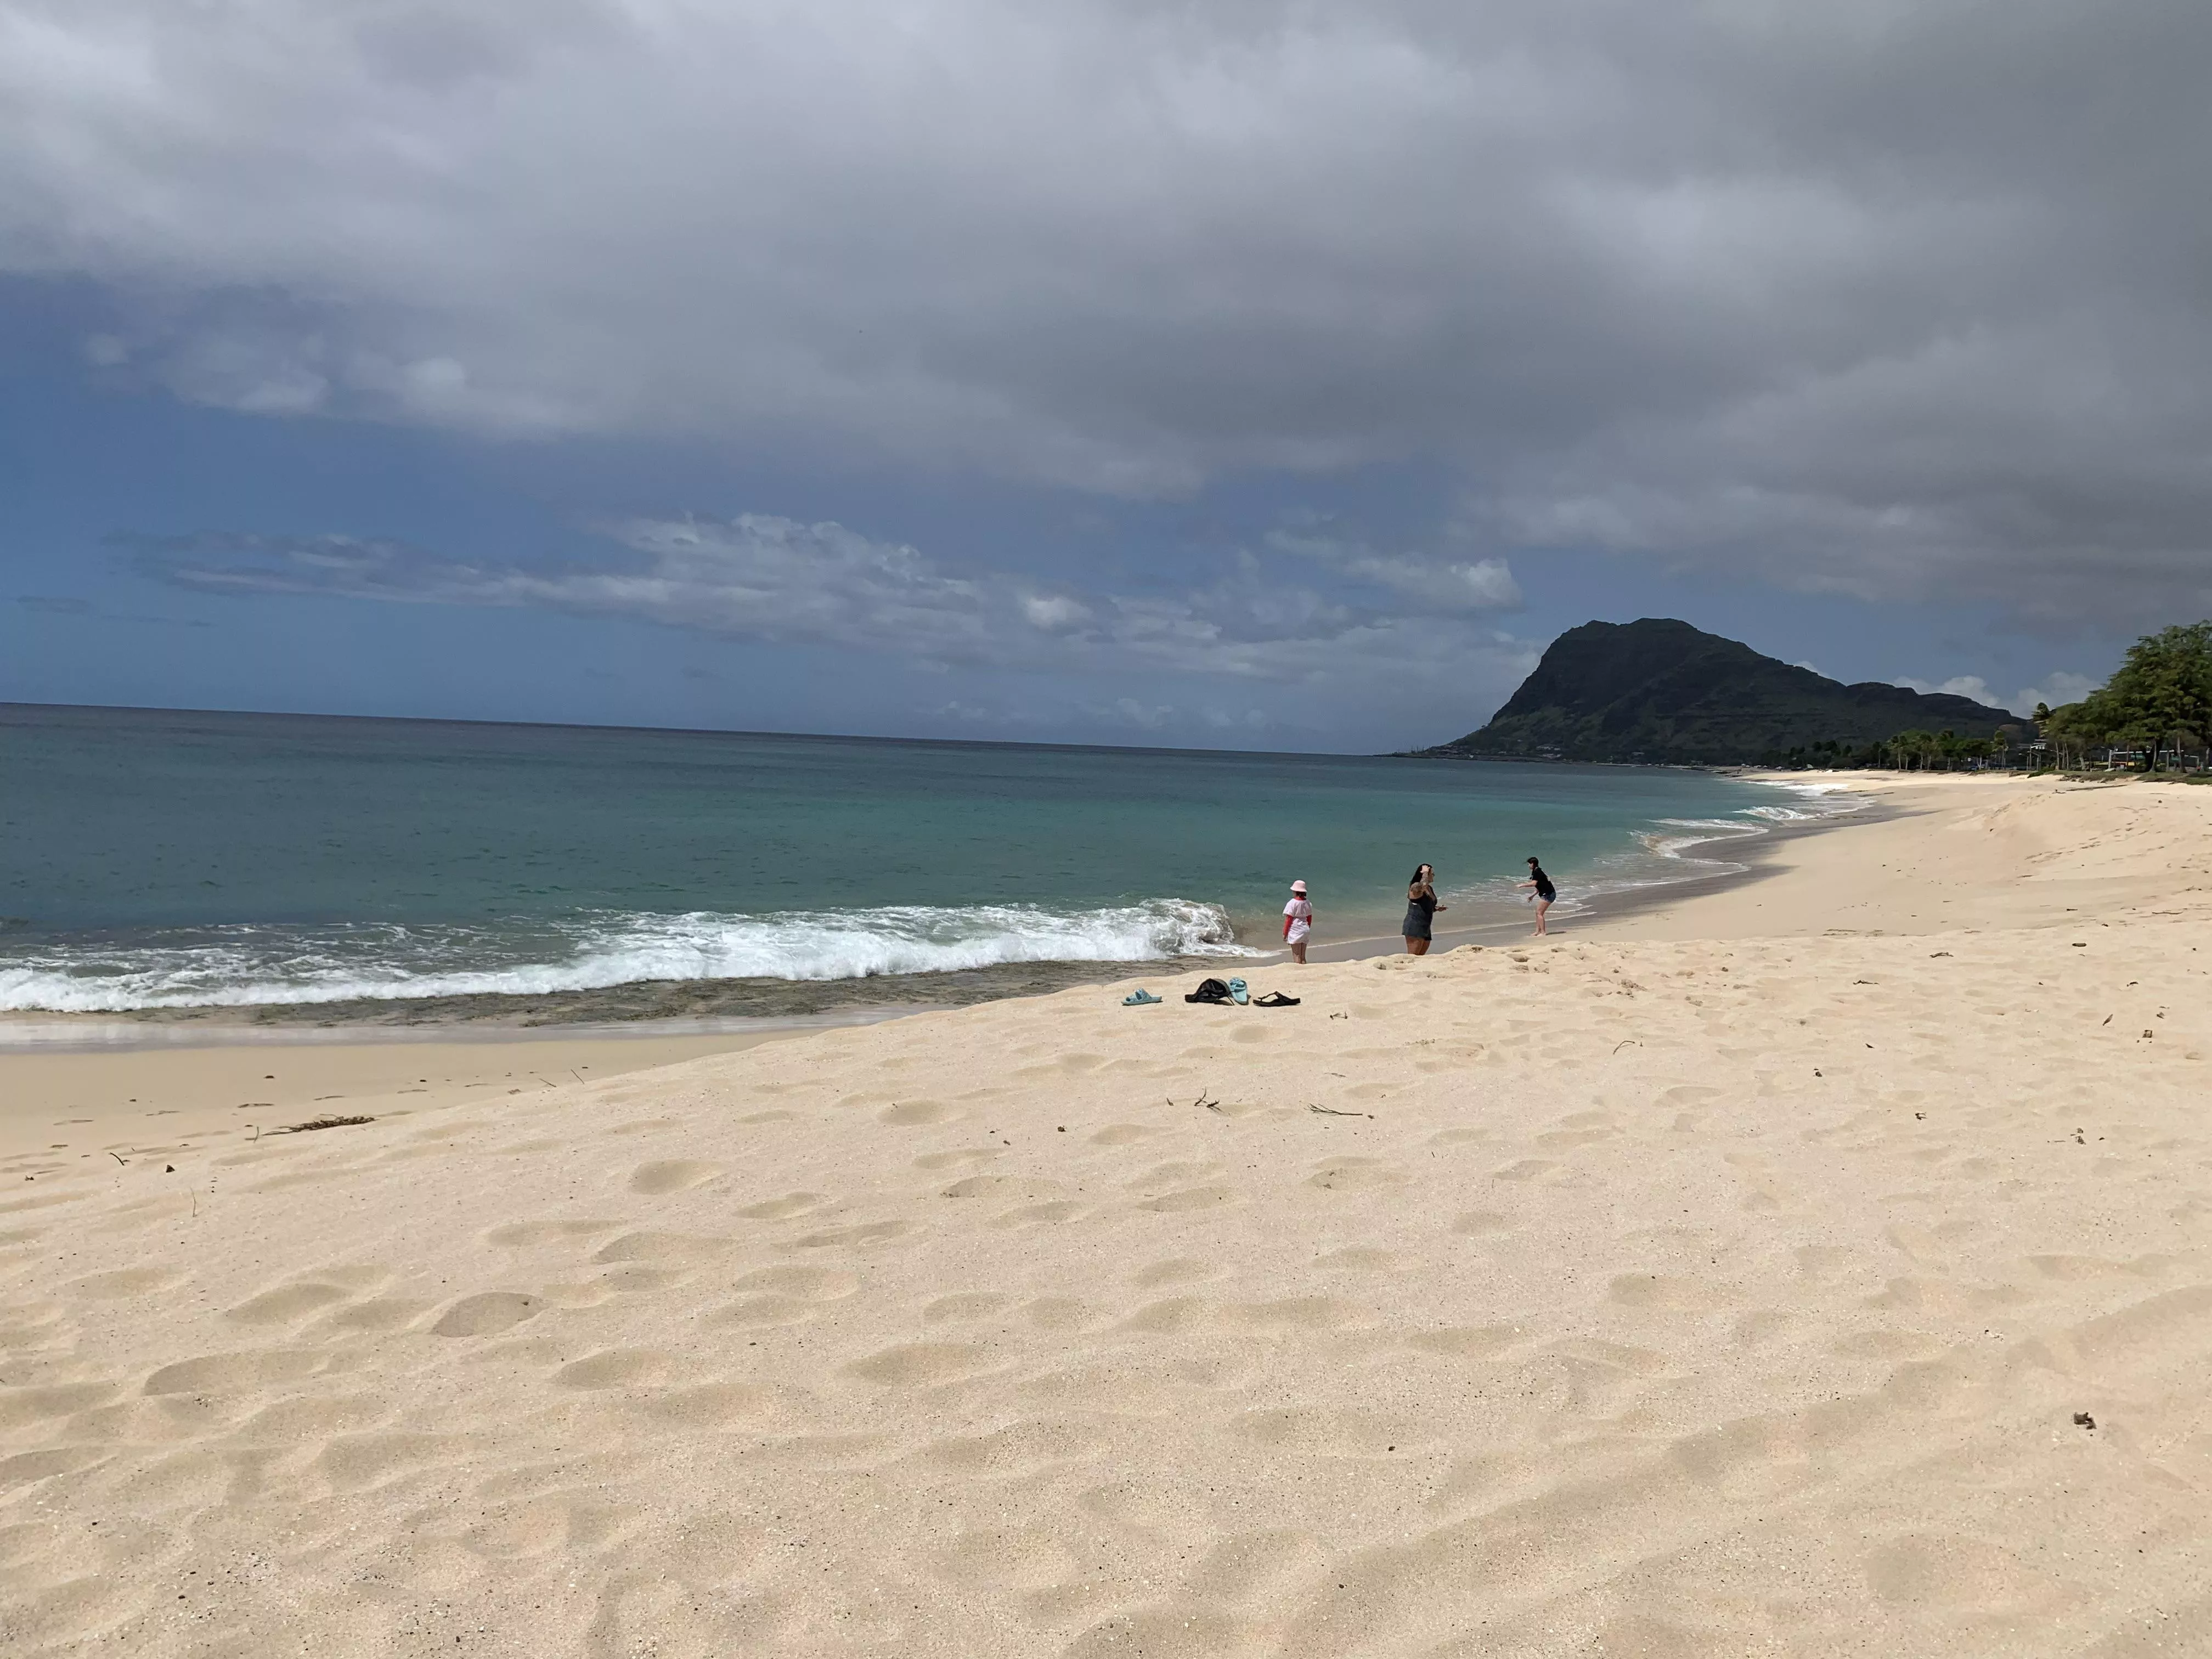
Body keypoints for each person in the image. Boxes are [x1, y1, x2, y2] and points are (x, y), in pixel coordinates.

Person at [1403, 863, 1445, 955]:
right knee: (1413, 957)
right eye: (1432, 873)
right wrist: (1425, 873)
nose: (1433, 875)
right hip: (1415, 926)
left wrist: (1436, 909)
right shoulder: (1415, 887)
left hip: (1426, 926)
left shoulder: (1429, 888)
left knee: (1421, 957)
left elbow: (1423, 905)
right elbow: (1423, 886)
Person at [1519, 856, 1556, 935]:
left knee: (1539, 913)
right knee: (1538, 913)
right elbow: (1540, 887)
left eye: (1529, 864)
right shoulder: (1537, 871)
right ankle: (1537, 931)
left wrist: (1522, 885)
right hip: (1547, 893)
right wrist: (1532, 896)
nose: (1529, 866)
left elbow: (1534, 884)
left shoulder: (1537, 872)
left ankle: (1543, 932)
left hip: (1549, 894)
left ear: (1533, 864)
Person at [1281, 880, 1314, 964]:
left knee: (1296, 955)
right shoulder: (1308, 903)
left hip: (1296, 929)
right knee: (1303, 956)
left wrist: (1285, 932)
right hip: (1305, 929)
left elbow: (1289, 919)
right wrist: (1307, 928)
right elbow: (1309, 918)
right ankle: (1304, 970)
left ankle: (1299, 972)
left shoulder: (1292, 903)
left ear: (1296, 891)